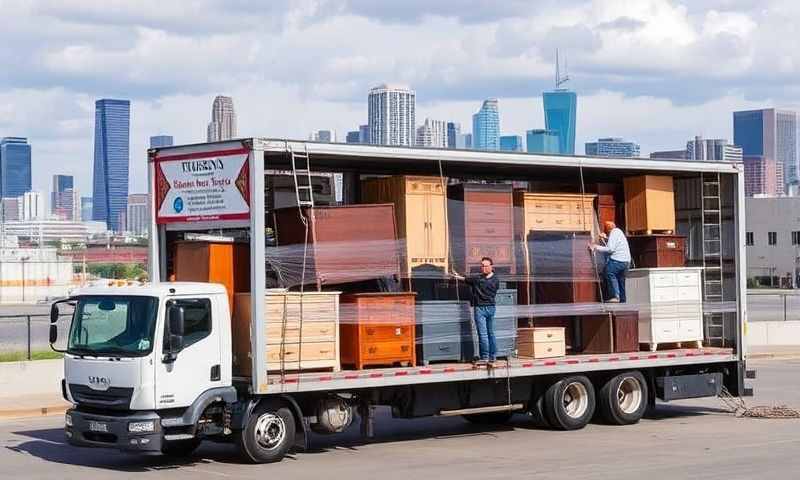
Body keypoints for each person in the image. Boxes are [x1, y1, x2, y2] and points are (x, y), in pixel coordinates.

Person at [451, 257, 500, 365]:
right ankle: (493, 356)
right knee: (490, 333)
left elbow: (466, 279)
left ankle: (485, 357)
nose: (483, 268)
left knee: (483, 334)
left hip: (480, 308)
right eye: (482, 265)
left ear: (491, 267)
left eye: (485, 266)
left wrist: (456, 276)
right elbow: (467, 279)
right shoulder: (496, 279)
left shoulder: (479, 279)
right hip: (491, 307)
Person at [590, 221, 631, 303]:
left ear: (607, 229)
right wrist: (606, 238)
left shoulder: (613, 233)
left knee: (608, 272)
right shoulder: (619, 232)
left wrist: (596, 247)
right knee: (621, 280)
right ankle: (623, 300)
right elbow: (615, 243)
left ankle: (615, 296)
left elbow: (610, 249)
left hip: (618, 260)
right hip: (626, 261)